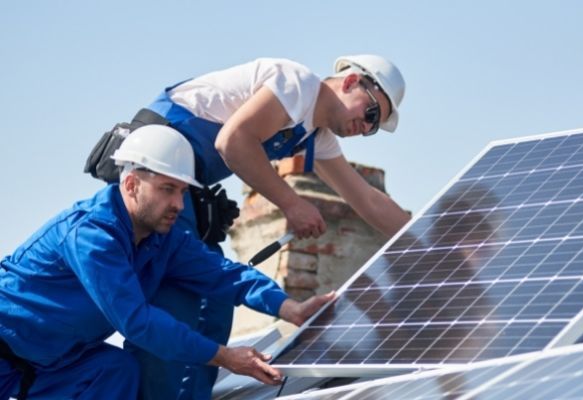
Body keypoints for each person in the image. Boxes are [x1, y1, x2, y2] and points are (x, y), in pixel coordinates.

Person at [84, 55, 412, 399]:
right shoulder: (296, 84)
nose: (366, 127)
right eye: (371, 113)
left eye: (374, 127)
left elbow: (366, 199)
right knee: (177, 305)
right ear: (350, 82)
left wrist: (429, 238)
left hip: (186, 192)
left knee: (216, 308)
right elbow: (233, 142)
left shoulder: (317, 135)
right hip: (156, 180)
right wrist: (292, 203)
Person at [0, 126, 334, 400]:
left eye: (183, 192)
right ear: (131, 184)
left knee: (117, 370)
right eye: (167, 189)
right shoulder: (91, 236)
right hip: (6, 351)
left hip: (54, 364)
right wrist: (224, 356)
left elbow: (224, 274)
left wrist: (288, 307)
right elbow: (138, 322)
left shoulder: (165, 239)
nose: (178, 203)